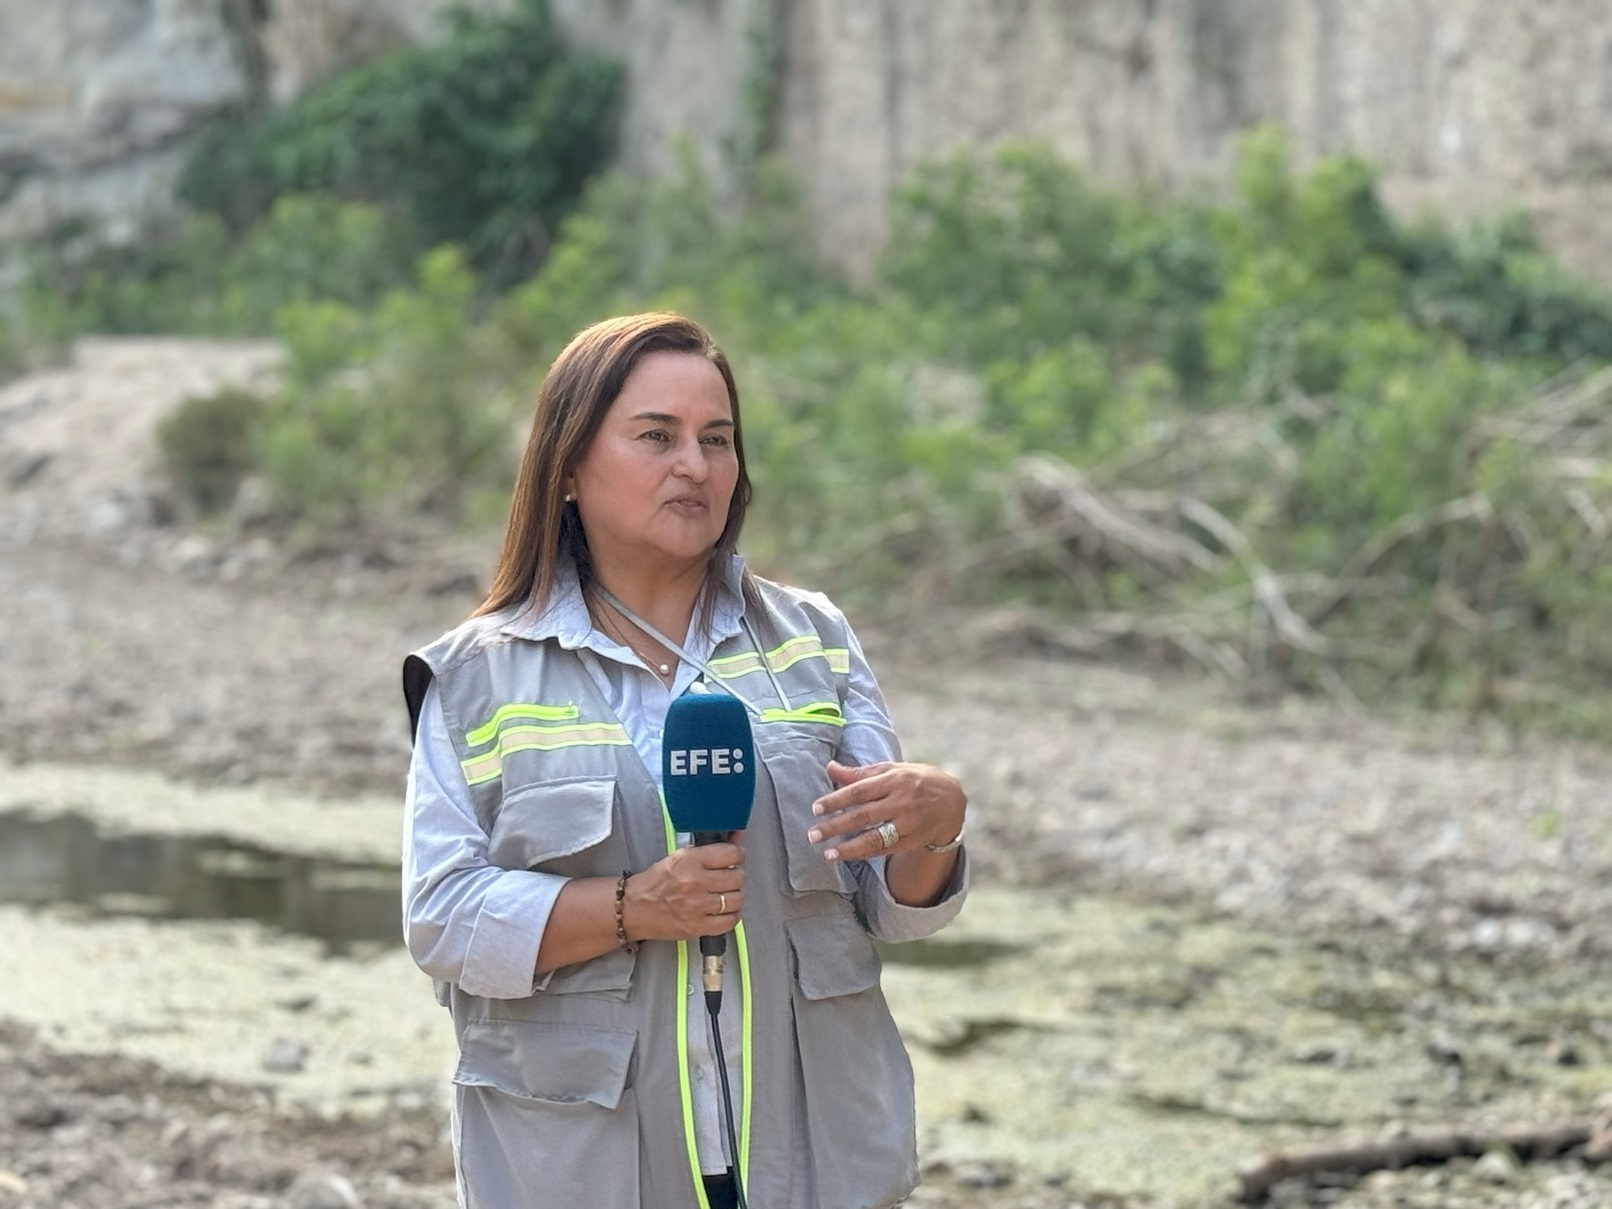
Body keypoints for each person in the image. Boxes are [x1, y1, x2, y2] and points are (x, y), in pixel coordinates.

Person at [401, 311, 969, 1209]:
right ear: (570, 467)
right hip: (582, 1159)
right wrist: (632, 907)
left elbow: (890, 909)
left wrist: (934, 823)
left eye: (717, 439)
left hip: (814, 1159)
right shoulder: (479, 675)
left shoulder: (812, 640)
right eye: (656, 437)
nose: (694, 466)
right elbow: (441, 917)